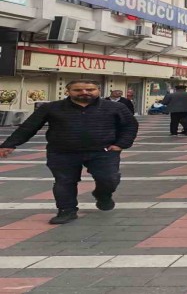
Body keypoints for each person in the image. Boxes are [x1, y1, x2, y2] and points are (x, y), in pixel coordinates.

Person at [0, 80, 138, 224]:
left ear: (98, 90)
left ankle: (103, 195)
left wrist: (121, 144)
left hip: (102, 152)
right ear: (68, 91)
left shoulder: (116, 107)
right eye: (77, 90)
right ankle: (66, 210)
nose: (84, 92)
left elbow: (130, 126)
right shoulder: (51, 108)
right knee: (64, 181)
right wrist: (9, 144)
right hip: (62, 152)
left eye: (90, 89)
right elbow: (29, 127)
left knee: (109, 179)